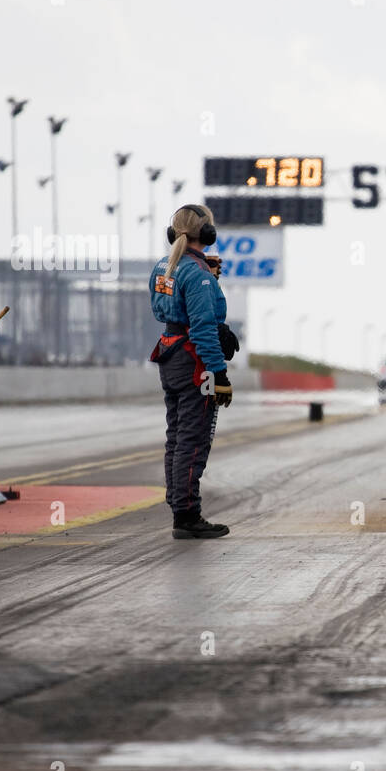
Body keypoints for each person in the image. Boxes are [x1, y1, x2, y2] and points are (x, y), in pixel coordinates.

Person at [149, 204, 241, 539]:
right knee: (193, 438)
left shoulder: (164, 267)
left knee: (176, 436)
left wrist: (206, 276)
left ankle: (179, 506)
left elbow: (168, 307)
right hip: (193, 362)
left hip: (169, 354)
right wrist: (219, 374)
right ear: (208, 235)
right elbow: (203, 329)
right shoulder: (198, 277)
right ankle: (187, 515)